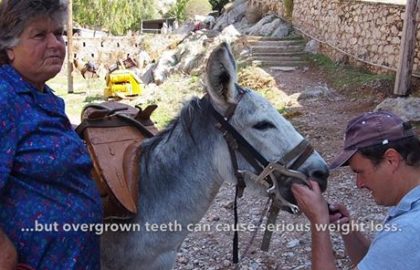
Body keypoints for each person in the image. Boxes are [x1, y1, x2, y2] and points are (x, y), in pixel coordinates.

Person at [0, 1, 103, 269]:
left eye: (58, 33)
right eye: (39, 35)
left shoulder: (43, 96)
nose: (56, 44)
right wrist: (3, 252)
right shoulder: (4, 99)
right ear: (9, 48)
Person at [292, 111, 420, 270]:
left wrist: (318, 222)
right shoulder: (411, 206)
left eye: (360, 172)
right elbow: (378, 261)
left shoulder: (409, 230)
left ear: (391, 160)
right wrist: (348, 230)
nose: (359, 184)